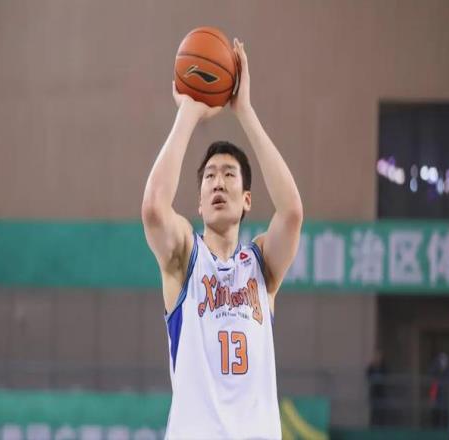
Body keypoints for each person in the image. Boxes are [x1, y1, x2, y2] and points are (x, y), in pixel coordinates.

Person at [142, 38, 303, 440]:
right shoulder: (185, 258)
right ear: (199, 203)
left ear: (247, 199)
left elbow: (292, 213)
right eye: (210, 176)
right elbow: (154, 209)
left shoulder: (261, 265)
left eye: (229, 175)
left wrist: (244, 110)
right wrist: (189, 112)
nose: (218, 182)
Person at [366, 349, 388, 426]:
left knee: (381, 410)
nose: (377, 358)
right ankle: (372, 425)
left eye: (379, 357)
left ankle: (381, 425)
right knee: (373, 410)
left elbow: (387, 375)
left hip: (381, 392)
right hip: (374, 392)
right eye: (376, 356)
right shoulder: (371, 367)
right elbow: (367, 375)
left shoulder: (383, 367)